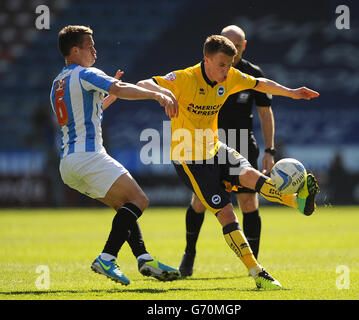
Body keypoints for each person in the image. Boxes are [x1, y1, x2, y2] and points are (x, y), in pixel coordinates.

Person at [137, 35, 319, 290]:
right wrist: (161, 96)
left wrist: (290, 92)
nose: (227, 71)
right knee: (226, 213)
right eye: (222, 65)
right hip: (190, 160)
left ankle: (297, 202)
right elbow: (144, 82)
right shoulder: (184, 78)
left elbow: (259, 83)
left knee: (253, 178)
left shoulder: (231, 77)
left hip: (216, 148)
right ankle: (257, 272)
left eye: (230, 65)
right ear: (207, 59)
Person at [49, 25, 180, 286]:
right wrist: (157, 95)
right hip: (88, 156)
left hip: (68, 164)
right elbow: (119, 88)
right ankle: (107, 257)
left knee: (124, 207)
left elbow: (88, 113)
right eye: (90, 46)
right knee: (139, 200)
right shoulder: (86, 73)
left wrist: (110, 95)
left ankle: (144, 258)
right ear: (75, 51)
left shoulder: (57, 83)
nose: (95, 50)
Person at [178, 25, 277, 277]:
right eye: (226, 42)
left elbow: (266, 113)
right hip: (209, 144)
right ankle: (189, 255)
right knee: (200, 202)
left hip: (243, 141)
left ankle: (253, 264)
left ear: (243, 46)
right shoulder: (206, 71)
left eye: (236, 44)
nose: (231, 50)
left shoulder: (250, 74)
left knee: (248, 201)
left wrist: (270, 149)